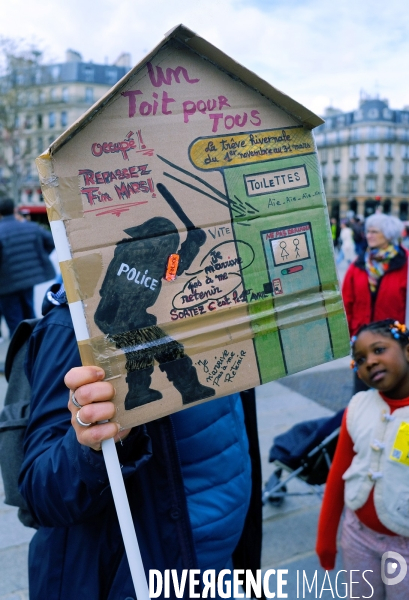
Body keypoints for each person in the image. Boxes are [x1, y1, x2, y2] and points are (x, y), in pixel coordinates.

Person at [18, 284, 262, 600]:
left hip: (218, 570)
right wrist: (93, 445)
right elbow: (40, 490)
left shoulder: (214, 297)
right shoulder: (76, 324)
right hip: (140, 579)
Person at [316, 319, 409, 599]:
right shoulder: (357, 407)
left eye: (379, 350)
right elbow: (338, 474)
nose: (369, 362)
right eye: (360, 359)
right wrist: (325, 537)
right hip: (357, 536)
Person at [342, 213, 407, 392]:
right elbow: (346, 303)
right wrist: (350, 334)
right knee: (362, 394)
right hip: (362, 341)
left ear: (388, 235)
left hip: (395, 342)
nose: (368, 235)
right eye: (368, 231)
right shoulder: (359, 264)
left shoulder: (405, 263)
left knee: (396, 391)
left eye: (374, 231)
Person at [0, 198, 55, 336]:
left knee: (15, 323)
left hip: (7, 284)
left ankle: (20, 353)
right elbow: (50, 241)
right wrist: (37, 258)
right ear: (14, 210)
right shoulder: (31, 227)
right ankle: (35, 349)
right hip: (28, 281)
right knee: (30, 315)